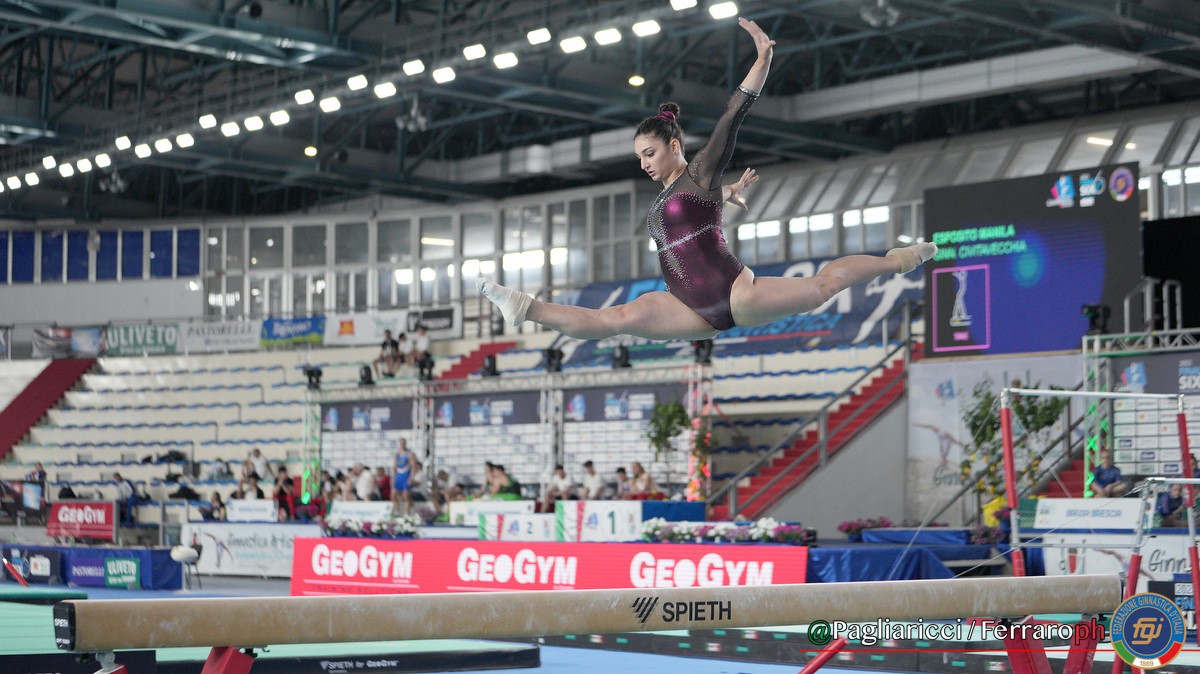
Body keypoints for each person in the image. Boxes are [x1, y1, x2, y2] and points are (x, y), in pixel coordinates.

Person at [477, 18, 936, 342]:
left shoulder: (698, 172)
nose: (644, 164)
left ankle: (896, 260)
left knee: (822, 286)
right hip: (685, 307)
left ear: (674, 146)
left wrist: (763, 58)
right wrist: (727, 193)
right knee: (613, 319)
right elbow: (696, 211)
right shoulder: (675, 196)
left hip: (734, 295)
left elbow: (732, 116)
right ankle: (524, 306)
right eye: (639, 157)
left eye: (650, 153)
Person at [391, 439, 416, 515]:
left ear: (405, 443)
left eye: (403, 443)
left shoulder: (410, 454)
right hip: (398, 476)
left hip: (406, 476)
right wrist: (393, 477)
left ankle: (406, 514)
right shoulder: (397, 454)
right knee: (393, 496)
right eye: (401, 443)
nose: (402, 445)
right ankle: (397, 512)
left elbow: (413, 466)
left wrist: (411, 477)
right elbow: (394, 466)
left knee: (406, 497)